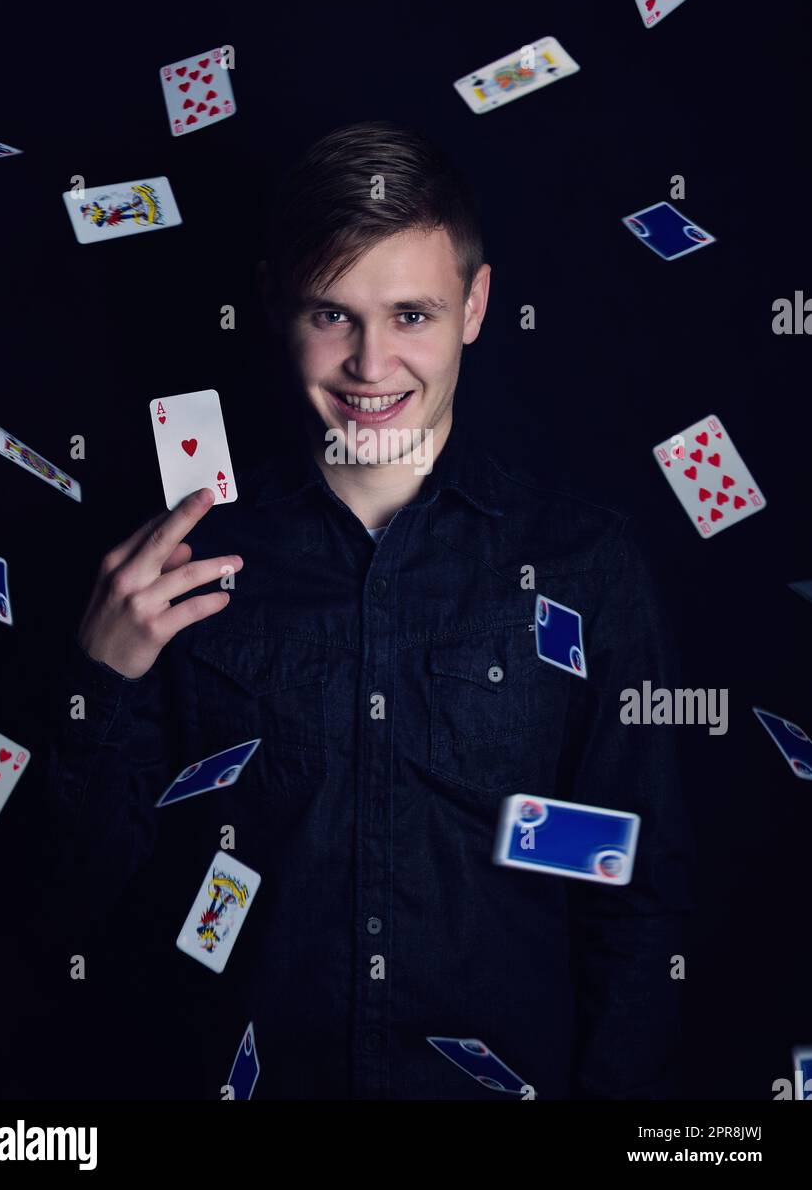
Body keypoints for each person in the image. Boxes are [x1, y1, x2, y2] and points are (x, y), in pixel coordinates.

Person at [48, 120, 692, 1100]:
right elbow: (82, 895)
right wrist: (99, 676)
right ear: (276, 304)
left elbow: (636, 903)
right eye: (333, 314)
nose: (370, 363)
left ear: (474, 305)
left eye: (410, 314)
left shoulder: (583, 563)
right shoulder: (176, 565)